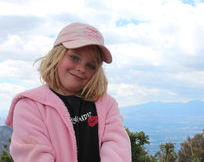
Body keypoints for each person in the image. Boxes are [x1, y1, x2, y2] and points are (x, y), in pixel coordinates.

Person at [5, 22, 132, 162]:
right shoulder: (30, 105)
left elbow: (117, 148)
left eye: (91, 65)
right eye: (75, 57)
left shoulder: (106, 105)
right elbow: (34, 156)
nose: (82, 68)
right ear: (56, 55)